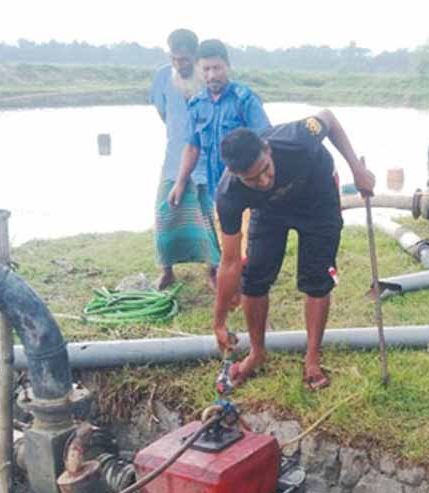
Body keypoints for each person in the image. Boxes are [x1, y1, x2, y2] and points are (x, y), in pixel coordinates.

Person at [211, 110, 375, 390]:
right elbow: (229, 262)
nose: (263, 181)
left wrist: (356, 170)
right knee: (254, 278)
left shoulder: (297, 138)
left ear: (268, 149)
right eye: (252, 179)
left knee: (316, 278)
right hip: (270, 211)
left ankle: (312, 357)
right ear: (237, 176)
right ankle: (257, 352)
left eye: (265, 169)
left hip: (318, 198)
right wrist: (220, 320)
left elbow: (330, 119)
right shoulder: (229, 195)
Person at [169, 39, 271, 239]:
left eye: (217, 68)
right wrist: (180, 183)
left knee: (250, 247)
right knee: (226, 243)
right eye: (206, 69)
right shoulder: (197, 104)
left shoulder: (245, 99)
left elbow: (267, 140)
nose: (212, 75)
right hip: (218, 190)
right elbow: (192, 148)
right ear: (199, 69)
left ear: (228, 66)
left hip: (248, 188)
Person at [149, 29, 219, 290]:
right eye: (175, 59)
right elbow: (163, 111)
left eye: (185, 59)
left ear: (195, 56)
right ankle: (167, 270)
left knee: (209, 216)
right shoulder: (162, 77)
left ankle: (213, 270)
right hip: (173, 160)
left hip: (206, 163)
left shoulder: (208, 77)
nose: (180, 64)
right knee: (164, 212)